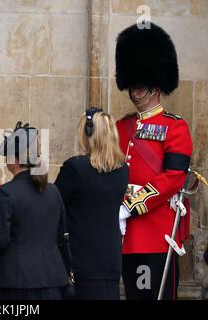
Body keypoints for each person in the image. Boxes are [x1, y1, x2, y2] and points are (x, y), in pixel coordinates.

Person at [115, 23, 193, 300]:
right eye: (132, 85)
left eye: (140, 85)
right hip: (125, 234)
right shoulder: (121, 126)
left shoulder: (175, 127)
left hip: (156, 232)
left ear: (155, 85)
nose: (134, 92)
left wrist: (131, 206)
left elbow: (173, 177)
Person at [0, 121, 69, 300]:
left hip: (15, 284)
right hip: (51, 281)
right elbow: (61, 235)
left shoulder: (5, 193)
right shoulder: (53, 191)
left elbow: (1, 239)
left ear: (13, 159)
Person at [54, 108, 128, 300]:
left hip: (82, 257)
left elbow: (55, 204)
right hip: (111, 257)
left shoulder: (76, 168)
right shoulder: (122, 170)